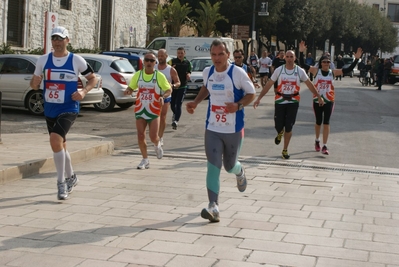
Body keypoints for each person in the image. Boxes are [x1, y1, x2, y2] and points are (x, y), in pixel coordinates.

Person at [186, 39, 256, 223]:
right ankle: (213, 206)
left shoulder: (237, 73)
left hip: (233, 128)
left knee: (229, 166)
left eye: (220, 54)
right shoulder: (208, 72)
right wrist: (195, 102)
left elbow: (251, 93)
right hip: (213, 128)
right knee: (213, 165)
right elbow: (206, 88)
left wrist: (238, 105)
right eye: (213, 55)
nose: (216, 58)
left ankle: (239, 172)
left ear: (228, 55)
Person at [29, 26, 98, 200]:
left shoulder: (76, 60)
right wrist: (35, 83)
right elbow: (34, 85)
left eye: (60, 39)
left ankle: (61, 183)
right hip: (50, 108)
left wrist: (83, 92)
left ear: (67, 40)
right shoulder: (43, 60)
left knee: (55, 140)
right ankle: (72, 177)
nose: (57, 42)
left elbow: (92, 78)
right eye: (54, 39)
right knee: (61, 145)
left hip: (69, 107)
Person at [253, 50, 325, 159]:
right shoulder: (279, 70)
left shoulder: (299, 71)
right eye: (287, 56)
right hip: (280, 100)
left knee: (289, 127)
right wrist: (259, 98)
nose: (289, 58)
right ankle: (279, 132)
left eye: (291, 56)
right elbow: (269, 84)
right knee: (278, 125)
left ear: (295, 58)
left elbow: (309, 84)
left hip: (293, 101)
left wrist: (318, 96)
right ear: (285, 58)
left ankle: (285, 149)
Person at [299, 41, 362, 155]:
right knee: (318, 122)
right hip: (317, 100)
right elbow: (302, 64)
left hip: (329, 100)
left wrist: (356, 59)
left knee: (326, 122)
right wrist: (301, 52)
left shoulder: (332, 73)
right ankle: (317, 140)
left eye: (328, 62)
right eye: (324, 61)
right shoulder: (315, 71)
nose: (326, 63)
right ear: (321, 63)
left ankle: (325, 145)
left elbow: (347, 70)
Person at [124, 51, 172, 169]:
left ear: (155, 63)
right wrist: (129, 90)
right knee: (140, 135)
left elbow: (168, 89)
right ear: (143, 62)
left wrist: (163, 96)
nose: (149, 62)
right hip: (140, 109)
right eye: (147, 60)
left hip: (154, 110)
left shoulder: (159, 76)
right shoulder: (138, 75)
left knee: (153, 136)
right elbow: (132, 86)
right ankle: (145, 160)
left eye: (152, 60)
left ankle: (157, 145)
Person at [155, 49, 181, 146]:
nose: (160, 57)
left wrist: (172, 86)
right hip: (154, 96)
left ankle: (160, 137)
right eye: (159, 55)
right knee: (154, 117)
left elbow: (178, 82)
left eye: (162, 55)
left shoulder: (171, 69)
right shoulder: (154, 67)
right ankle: (155, 136)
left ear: (166, 56)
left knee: (162, 117)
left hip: (166, 96)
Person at [168, 47, 192, 130]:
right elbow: (166, 68)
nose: (180, 55)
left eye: (181, 53)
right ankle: (175, 114)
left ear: (184, 53)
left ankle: (176, 121)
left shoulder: (187, 63)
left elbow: (189, 71)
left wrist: (188, 75)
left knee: (178, 104)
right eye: (178, 53)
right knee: (172, 104)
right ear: (176, 54)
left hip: (183, 86)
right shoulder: (172, 61)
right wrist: (171, 67)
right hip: (173, 86)